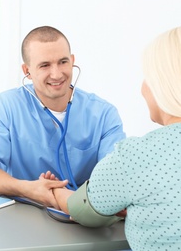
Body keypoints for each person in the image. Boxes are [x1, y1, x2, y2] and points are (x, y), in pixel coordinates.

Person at [52, 26, 181, 250]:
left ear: (163, 84)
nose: (143, 88)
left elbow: (82, 208)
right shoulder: (8, 106)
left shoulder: (137, 155)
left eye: (147, 78)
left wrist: (53, 189)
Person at [0, 25, 126, 208]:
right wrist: (27, 188)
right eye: (45, 65)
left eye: (63, 62)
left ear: (72, 60)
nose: (57, 74)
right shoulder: (6, 106)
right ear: (26, 71)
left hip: (86, 215)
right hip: (24, 213)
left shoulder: (104, 114)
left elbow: (117, 178)